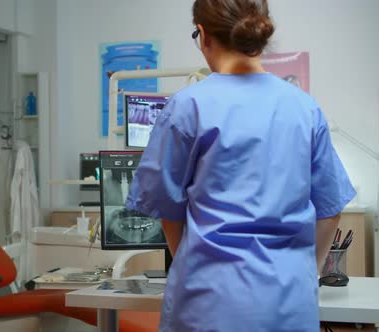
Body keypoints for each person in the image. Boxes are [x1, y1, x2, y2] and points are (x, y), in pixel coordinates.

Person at [125, 0, 356, 331]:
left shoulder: (188, 107)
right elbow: (330, 210)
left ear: (203, 35)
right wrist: (305, 272)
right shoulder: (305, 109)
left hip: (207, 305)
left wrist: (193, 266)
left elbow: (169, 212)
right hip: (288, 306)